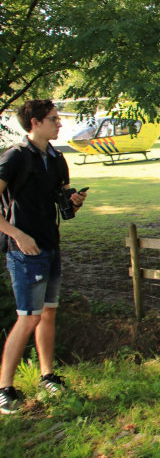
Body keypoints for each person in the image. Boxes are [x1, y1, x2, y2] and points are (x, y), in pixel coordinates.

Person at [0, 100, 88, 414]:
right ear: (35, 122)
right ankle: (4, 390)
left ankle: (47, 376)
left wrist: (73, 202)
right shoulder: (15, 157)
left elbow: (65, 207)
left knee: (48, 313)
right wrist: (17, 234)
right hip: (25, 253)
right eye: (54, 119)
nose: (60, 124)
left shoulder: (57, 158)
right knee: (29, 317)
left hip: (51, 246)